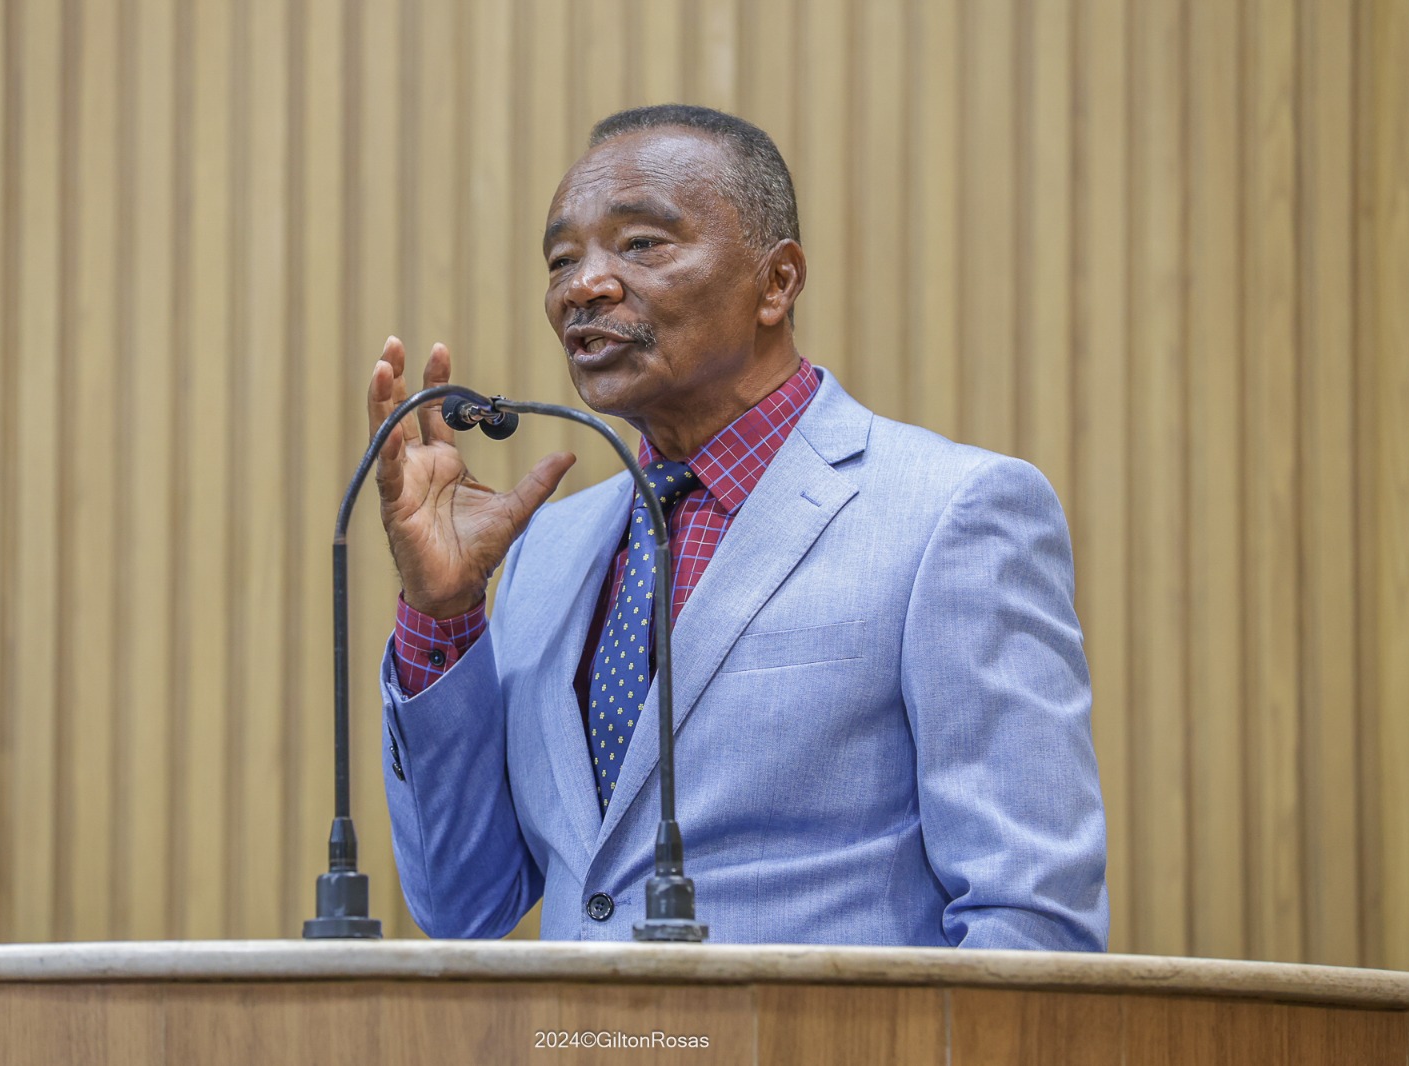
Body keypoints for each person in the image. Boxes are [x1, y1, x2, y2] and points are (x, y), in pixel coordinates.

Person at [367, 104, 1108, 948]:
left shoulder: (954, 513)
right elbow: (464, 901)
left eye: (640, 244)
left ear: (778, 281)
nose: (583, 286)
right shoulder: (548, 549)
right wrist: (442, 612)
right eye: (561, 259)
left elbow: (1030, 919)